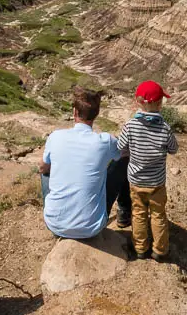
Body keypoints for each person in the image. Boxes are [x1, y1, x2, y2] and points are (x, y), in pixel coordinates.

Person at [40, 86, 129, 238]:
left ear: (74, 112)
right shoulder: (106, 141)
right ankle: (124, 213)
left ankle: (58, 210)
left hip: (54, 225)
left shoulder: (55, 136)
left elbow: (43, 168)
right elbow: (126, 152)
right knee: (123, 161)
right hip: (92, 228)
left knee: (44, 170)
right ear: (97, 114)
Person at [117, 80, 179, 261]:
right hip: (157, 183)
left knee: (138, 214)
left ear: (137, 102)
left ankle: (140, 249)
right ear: (160, 104)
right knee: (158, 215)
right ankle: (160, 250)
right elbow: (174, 149)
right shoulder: (165, 128)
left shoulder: (130, 126)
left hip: (136, 182)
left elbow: (121, 147)